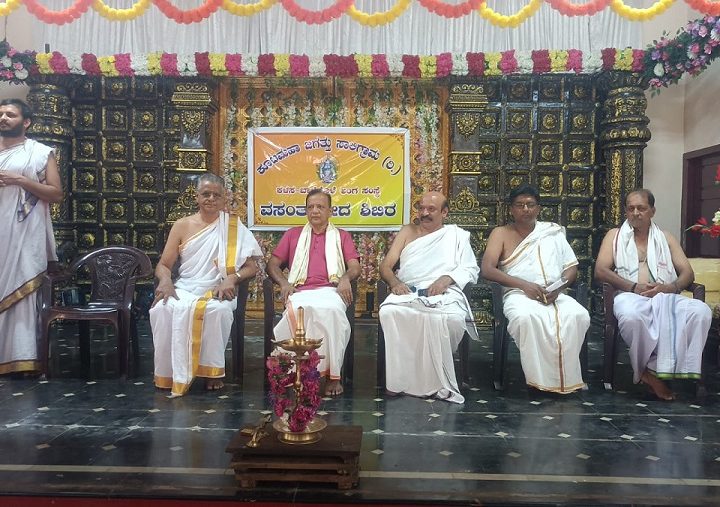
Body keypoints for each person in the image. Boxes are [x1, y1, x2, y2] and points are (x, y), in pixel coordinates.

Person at [150, 173, 261, 396]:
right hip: (185, 287)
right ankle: (168, 373)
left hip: (218, 288)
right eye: (206, 194)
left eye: (216, 195)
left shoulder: (233, 227)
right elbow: (163, 264)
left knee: (218, 311)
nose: (211, 199)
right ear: (197, 197)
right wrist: (166, 281)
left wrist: (232, 279)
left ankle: (211, 371)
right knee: (161, 309)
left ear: (224, 198)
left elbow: (252, 267)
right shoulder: (182, 225)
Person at [595, 189, 711, 401]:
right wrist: (633, 287)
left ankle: (657, 369)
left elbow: (687, 273)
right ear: (626, 211)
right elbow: (600, 270)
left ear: (652, 211)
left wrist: (670, 287)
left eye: (641, 208)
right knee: (632, 316)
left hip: (665, 295)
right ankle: (646, 372)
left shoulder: (665, 237)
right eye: (631, 208)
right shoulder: (615, 236)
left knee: (700, 311)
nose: (635, 213)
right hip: (629, 295)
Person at [481, 184, 589, 394]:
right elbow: (487, 269)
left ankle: (567, 378)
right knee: (526, 318)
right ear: (511, 209)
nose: (525, 209)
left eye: (530, 205)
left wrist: (559, 288)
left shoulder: (552, 232)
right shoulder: (500, 233)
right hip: (518, 293)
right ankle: (539, 379)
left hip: (554, 293)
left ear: (538, 208)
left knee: (578, 315)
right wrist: (524, 285)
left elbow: (571, 268)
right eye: (519, 205)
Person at [378, 191, 479, 404]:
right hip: (409, 290)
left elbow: (470, 268)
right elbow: (386, 266)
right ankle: (399, 380)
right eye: (421, 208)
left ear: (444, 212)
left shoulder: (456, 236)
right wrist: (395, 283)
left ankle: (435, 380)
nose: (424, 213)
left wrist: (446, 279)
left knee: (452, 319)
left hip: (444, 292)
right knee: (389, 311)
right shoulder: (407, 231)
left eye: (431, 209)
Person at [267, 188, 360, 397]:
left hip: (331, 291)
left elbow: (354, 266)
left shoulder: (342, 236)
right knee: (301, 311)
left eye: (320, 207)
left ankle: (332, 376)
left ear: (330, 211)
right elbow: (272, 264)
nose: (315, 211)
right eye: (310, 207)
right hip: (300, 291)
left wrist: (345, 278)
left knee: (332, 313)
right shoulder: (293, 234)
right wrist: (283, 282)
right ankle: (294, 372)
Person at [0, 99, 63, 376]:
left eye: (10, 114)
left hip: (24, 234)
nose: (3, 118)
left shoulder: (39, 153)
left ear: (26, 122)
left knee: (22, 292)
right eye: (1, 114)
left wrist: (21, 181)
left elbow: (56, 194)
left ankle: (21, 358)